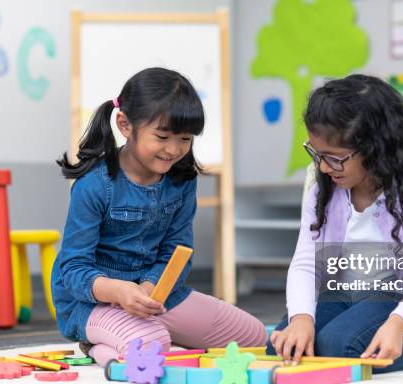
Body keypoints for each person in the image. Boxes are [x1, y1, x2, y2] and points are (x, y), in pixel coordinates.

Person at [52, 67, 266, 366]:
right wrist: (118, 290)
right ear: (125, 125)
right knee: (153, 346)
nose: (174, 149)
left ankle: (141, 332)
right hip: (92, 302)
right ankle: (97, 345)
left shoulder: (182, 180)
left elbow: (177, 252)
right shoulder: (95, 184)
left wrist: (150, 289)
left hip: (157, 297)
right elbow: (72, 269)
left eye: (185, 139)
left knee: (255, 338)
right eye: (162, 136)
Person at [268, 74, 403, 372]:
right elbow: (307, 260)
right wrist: (301, 318)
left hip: (400, 302)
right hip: (343, 295)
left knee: (340, 347)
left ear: (376, 148)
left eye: (335, 158)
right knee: (281, 345)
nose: (322, 166)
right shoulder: (324, 186)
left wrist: (399, 323)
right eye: (316, 154)